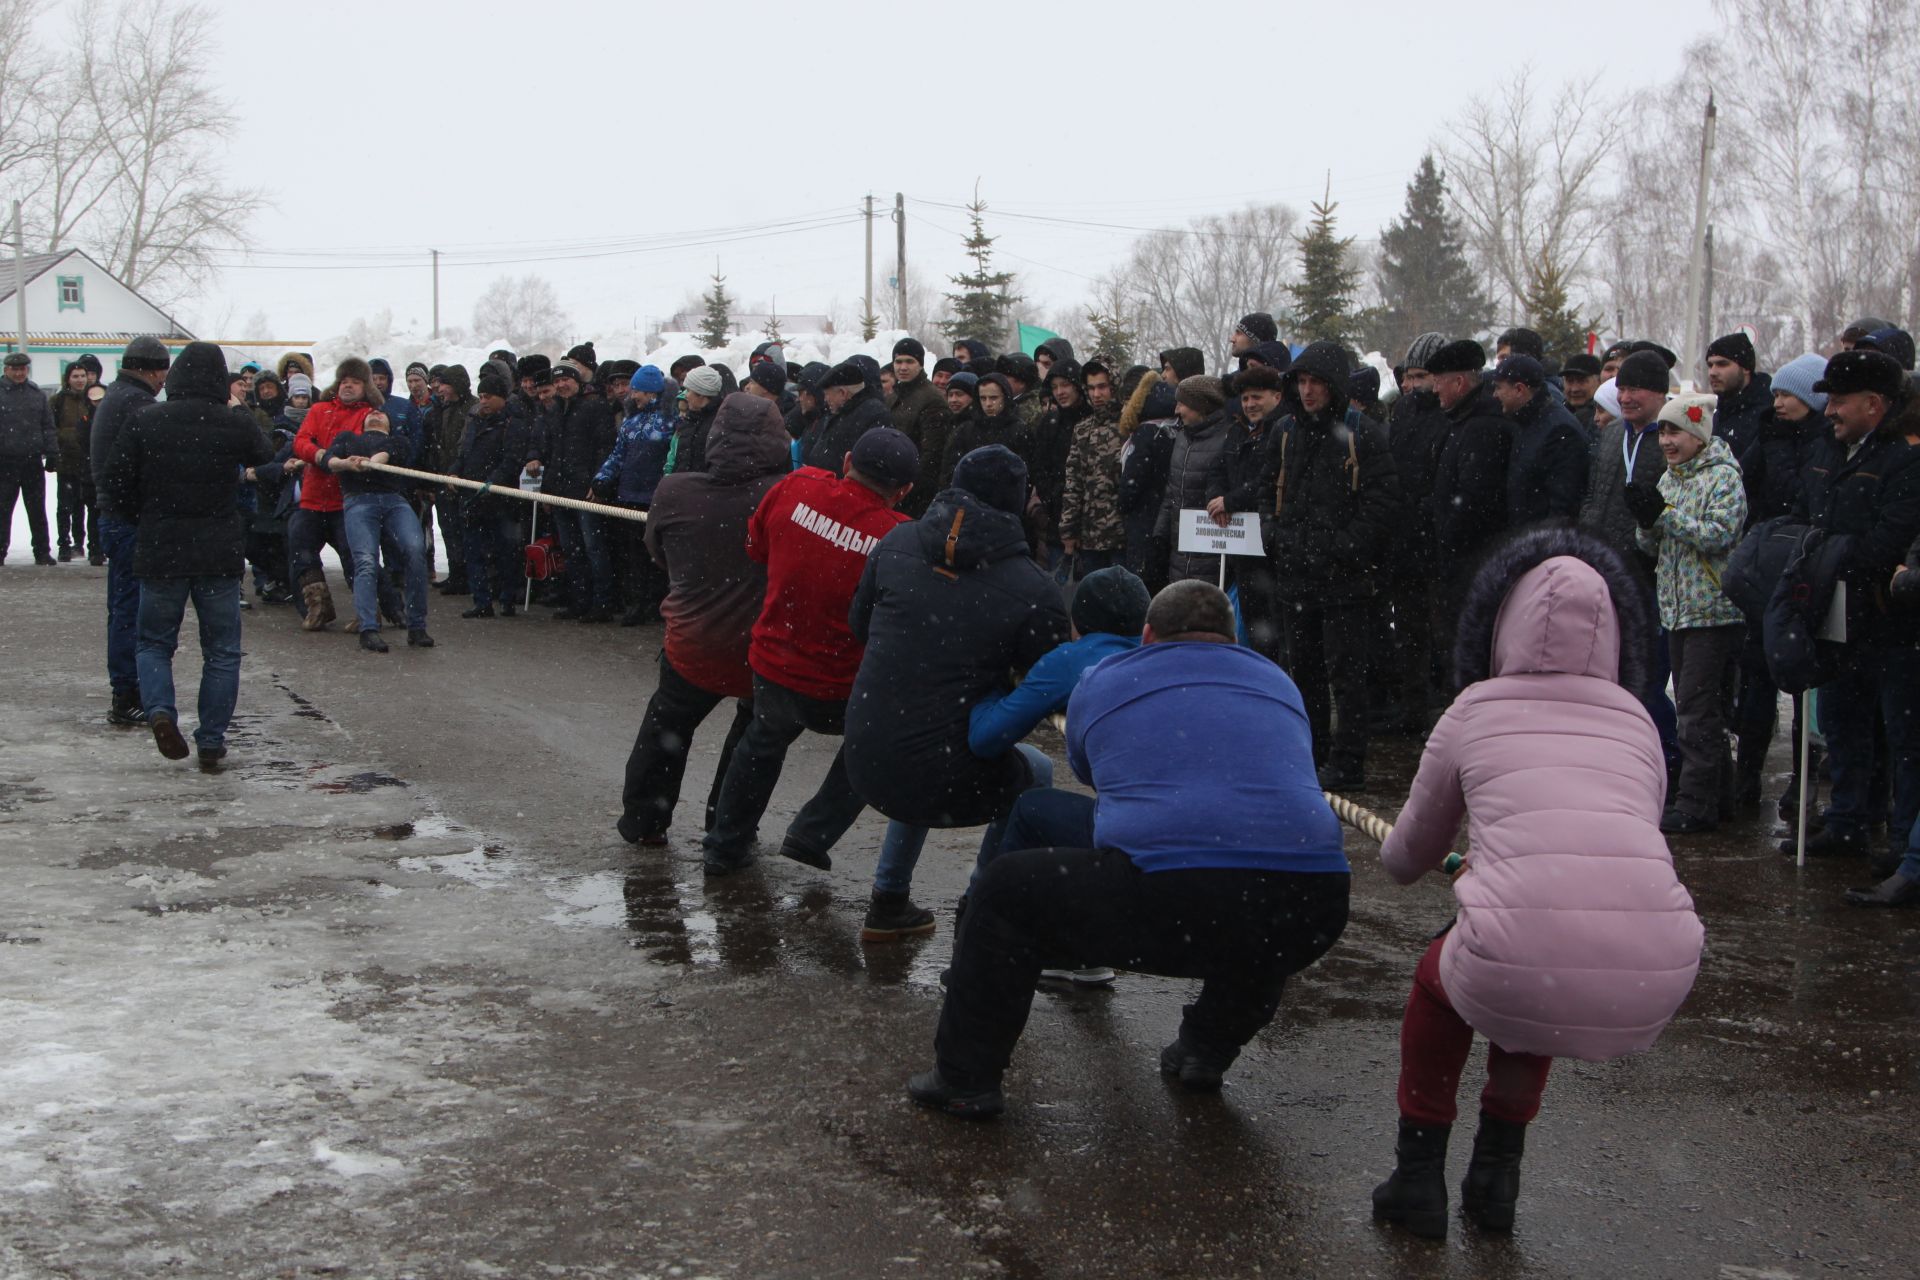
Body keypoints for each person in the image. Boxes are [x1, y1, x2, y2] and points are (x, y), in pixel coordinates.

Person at [905, 580, 1350, 1119]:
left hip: (1170, 895)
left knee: (1004, 890)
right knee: (1262, 908)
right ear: (1233, 639)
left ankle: (964, 1076)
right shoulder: (1278, 682)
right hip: (1316, 901)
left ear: (1146, 634)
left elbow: (1093, 772)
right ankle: (1205, 1050)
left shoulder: (1106, 677)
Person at [1369, 527, 1703, 1239]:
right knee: (1533, 969)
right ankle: (1497, 1181)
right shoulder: (1639, 721)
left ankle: (1418, 1175)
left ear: (1499, 621)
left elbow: (1406, 859)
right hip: (1660, 958)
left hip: (1523, 944)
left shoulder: (1476, 708)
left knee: (1456, 977)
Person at [843, 445, 1070, 942]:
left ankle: (888, 898)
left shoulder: (897, 540)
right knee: (1038, 771)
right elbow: (1041, 683)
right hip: (938, 768)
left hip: (864, 751)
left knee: (922, 736)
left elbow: (860, 625)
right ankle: (981, 906)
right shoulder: (1034, 588)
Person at [699, 427, 919, 874]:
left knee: (760, 743)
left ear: (846, 461)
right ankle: (811, 832)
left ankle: (724, 845)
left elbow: (755, 549)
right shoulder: (902, 540)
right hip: (840, 684)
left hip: (775, 660)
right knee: (874, 747)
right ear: (905, 490)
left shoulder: (796, 487)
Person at [617, 394, 790, 845]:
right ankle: (727, 827)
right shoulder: (789, 496)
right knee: (752, 740)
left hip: (692, 640)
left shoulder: (675, 490)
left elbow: (657, 553)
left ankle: (643, 821)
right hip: (762, 648)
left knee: (666, 729)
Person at [100, 342, 274, 768]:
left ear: (174, 375)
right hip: (218, 551)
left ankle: (159, 710)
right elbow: (267, 459)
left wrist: (144, 518)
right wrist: (238, 410)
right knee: (222, 650)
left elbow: (115, 481)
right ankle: (211, 739)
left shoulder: (146, 420)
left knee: (154, 643)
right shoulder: (233, 423)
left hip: (160, 549)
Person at [1791, 350, 1920, 862]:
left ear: (1875, 404)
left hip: (1889, 620)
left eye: (1840, 401)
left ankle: (1901, 839)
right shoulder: (1827, 450)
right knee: (1842, 723)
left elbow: (1888, 540)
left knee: (1899, 734)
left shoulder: (1905, 462)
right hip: (1834, 611)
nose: (1830, 411)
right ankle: (1847, 821)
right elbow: (1806, 516)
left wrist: (1832, 555)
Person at [1263, 341, 1401, 790]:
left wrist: (1342, 547)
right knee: (1303, 673)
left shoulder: (1362, 433)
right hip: (1296, 577)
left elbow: (1382, 505)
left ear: (1333, 386)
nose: (1307, 391)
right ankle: (1314, 752)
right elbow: (1267, 493)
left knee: (1347, 676)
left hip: (1345, 579)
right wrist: (1279, 540)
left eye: (1315, 383)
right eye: (1301, 382)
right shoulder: (1284, 432)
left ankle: (1348, 762)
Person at [1629, 394, 1748, 834]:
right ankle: (1720, 798)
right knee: (1701, 710)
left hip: (1712, 612)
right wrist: (1645, 521)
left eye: (1674, 431)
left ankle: (1695, 804)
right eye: (1662, 431)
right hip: (1675, 610)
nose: (1666, 440)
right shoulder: (1670, 478)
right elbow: (1653, 546)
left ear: (1698, 435)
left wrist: (1666, 516)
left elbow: (1719, 536)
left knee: (1696, 711)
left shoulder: (1724, 479)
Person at [1734, 353, 1828, 813]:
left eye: (1788, 394)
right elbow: (1744, 484)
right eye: (1775, 393)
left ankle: (1801, 782)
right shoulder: (1769, 431)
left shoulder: (1823, 440)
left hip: (1800, 568)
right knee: (1755, 680)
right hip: (1762, 565)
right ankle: (1745, 775)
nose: (1778, 402)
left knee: (1798, 682)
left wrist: (1775, 449)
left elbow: (1800, 495)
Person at [89, 337, 171, 725]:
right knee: (130, 607)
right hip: (129, 521)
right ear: (153, 370)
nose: (164, 382)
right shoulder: (137, 404)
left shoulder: (117, 397)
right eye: (163, 373)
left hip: (116, 516)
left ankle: (127, 688)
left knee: (123, 604)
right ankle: (127, 693)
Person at [323, 410, 435, 652]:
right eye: (371, 413)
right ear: (362, 424)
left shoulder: (397, 440)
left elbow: (387, 455)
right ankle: (368, 629)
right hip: (359, 501)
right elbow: (329, 461)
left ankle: (417, 626)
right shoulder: (346, 438)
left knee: (416, 552)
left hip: (394, 501)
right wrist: (346, 464)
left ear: (389, 424)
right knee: (365, 560)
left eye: (382, 414)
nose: (375, 414)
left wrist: (370, 463)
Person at [291, 358, 384, 631]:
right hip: (312, 496)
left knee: (353, 556)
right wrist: (320, 455)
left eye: (355, 382)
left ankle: (367, 611)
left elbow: (362, 446)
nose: (348, 386)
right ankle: (319, 606)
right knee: (302, 551)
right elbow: (301, 441)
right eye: (344, 381)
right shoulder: (319, 409)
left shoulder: (370, 414)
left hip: (346, 500)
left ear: (364, 386)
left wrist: (330, 455)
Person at [1205, 362, 1287, 664]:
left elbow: (1269, 478)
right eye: (1245, 398)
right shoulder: (1237, 431)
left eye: (1257, 397)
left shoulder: (1283, 430)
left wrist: (1231, 500)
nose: (1250, 404)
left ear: (1276, 397)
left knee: (1273, 629)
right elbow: (1217, 469)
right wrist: (1216, 500)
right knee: (1251, 624)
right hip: (1240, 546)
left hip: (1270, 545)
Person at [541, 359, 619, 622]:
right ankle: (579, 600)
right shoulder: (555, 411)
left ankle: (603, 603)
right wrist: (547, 490)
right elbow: (552, 452)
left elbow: (604, 447)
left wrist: (597, 483)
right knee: (571, 549)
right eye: (557, 380)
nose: (562, 384)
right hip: (561, 489)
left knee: (593, 548)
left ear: (577, 381)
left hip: (586, 490)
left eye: (566, 379)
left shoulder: (594, 406)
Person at [454, 369, 529, 619]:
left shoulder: (513, 422)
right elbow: (464, 453)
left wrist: (491, 484)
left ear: (501, 398)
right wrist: (454, 472)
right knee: (473, 552)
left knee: (506, 551)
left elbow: (512, 460)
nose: (483, 401)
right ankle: (481, 601)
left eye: (488, 396)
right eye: (481, 396)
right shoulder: (476, 420)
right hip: (472, 497)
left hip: (500, 500)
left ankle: (507, 599)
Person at [1151, 374, 1231, 585]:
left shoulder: (1228, 439)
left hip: (1213, 557)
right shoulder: (1181, 438)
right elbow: (1172, 492)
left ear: (1201, 406)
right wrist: (1160, 535)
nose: (1176, 410)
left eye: (1182, 403)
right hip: (1178, 556)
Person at [1490, 354, 1588, 525]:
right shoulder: (1525, 421)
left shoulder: (1559, 430)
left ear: (1519, 389)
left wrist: (1541, 546)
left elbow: (1562, 507)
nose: (1494, 395)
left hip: (1542, 544)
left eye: (1498, 388)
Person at [1058, 359, 1127, 577]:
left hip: (1122, 536)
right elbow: (1073, 482)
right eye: (1091, 388)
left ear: (1114, 387)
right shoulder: (1083, 429)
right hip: (1089, 537)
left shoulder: (1130, 425)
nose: (1096, 394)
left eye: (1102, 387)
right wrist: (1068, 528)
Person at [0, 351, 56, 566]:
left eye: (22, 369)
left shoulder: (37, 394)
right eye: (15, 369)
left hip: (32, 461)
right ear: (6, 370)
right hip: (4, 461)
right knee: (3, 510)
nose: (19, 372)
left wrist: (51, 453)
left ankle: (42, 551)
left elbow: (48, 426)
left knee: (37, 509)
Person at [886, 338, 948, 519]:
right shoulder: (893, 396)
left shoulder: (931, 399)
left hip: (914, 493)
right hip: (892, 486)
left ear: (920, 364)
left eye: (909, 361)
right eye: (898, 361)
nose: (903, 367)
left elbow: (932, 455)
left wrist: (907, 490)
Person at [802, 360, 891, 472]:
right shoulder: (844, 411)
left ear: (843, 393)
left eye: (827, 394)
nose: (825, 399)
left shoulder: (873, 414)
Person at [49, 362, 97, 562]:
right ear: (68, 379)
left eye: (82, 376)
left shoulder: (93, 399)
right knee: (65, 506)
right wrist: (69, 437)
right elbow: (51, 427)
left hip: (88, 462)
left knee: (88, 506)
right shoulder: (58, 401)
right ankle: (64, 544)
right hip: (66, 461)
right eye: (75, 376)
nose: (79, 380)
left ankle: (84, 543)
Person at [1705, 332, 1772, 461]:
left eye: (1722, 364)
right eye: (1710, 365)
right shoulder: (1720, 413)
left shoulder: (1767, 414)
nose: (1713, 372)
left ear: (1746, 368)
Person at [666, 365, 725, 474]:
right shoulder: (689, 419)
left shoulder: (718, 424)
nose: (685, 396)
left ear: (701, 394)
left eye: (689, 390)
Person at [1561, 353, 1602, 436]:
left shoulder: (1603, 418)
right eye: (1570, 381)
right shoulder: (1558, 412)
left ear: (1598, 382)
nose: (1574, 389)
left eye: (1581, 381)